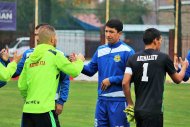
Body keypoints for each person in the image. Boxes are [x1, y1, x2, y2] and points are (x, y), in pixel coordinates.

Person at [70, 19, 135, 127]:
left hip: (118, 101)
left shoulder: (128, 51)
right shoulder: (100, 50)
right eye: (106, 31)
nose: (108, 35)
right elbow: (90, 70)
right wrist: (77, 63)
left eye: (111, 32)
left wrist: (111, 80)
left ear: (120, 33)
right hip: (101, 101)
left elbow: (132, 77)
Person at [18, 25, 85, 127]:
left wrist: (29, 100)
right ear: (53, 39)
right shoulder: (54, 55)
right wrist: (79, 60)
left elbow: (22, 85)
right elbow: (74, 71)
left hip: (28, 110)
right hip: (45, 110)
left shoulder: (29, 58)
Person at [122, 28, 188, 127]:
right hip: (154, 112)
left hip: (139, 111)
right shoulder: (163, 58)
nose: (160, 43)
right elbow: (178, 79)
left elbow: (125, 83)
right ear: (155, 40)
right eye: (160, 41)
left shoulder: (133, 58)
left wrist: (130, 104)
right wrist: (183, 67)